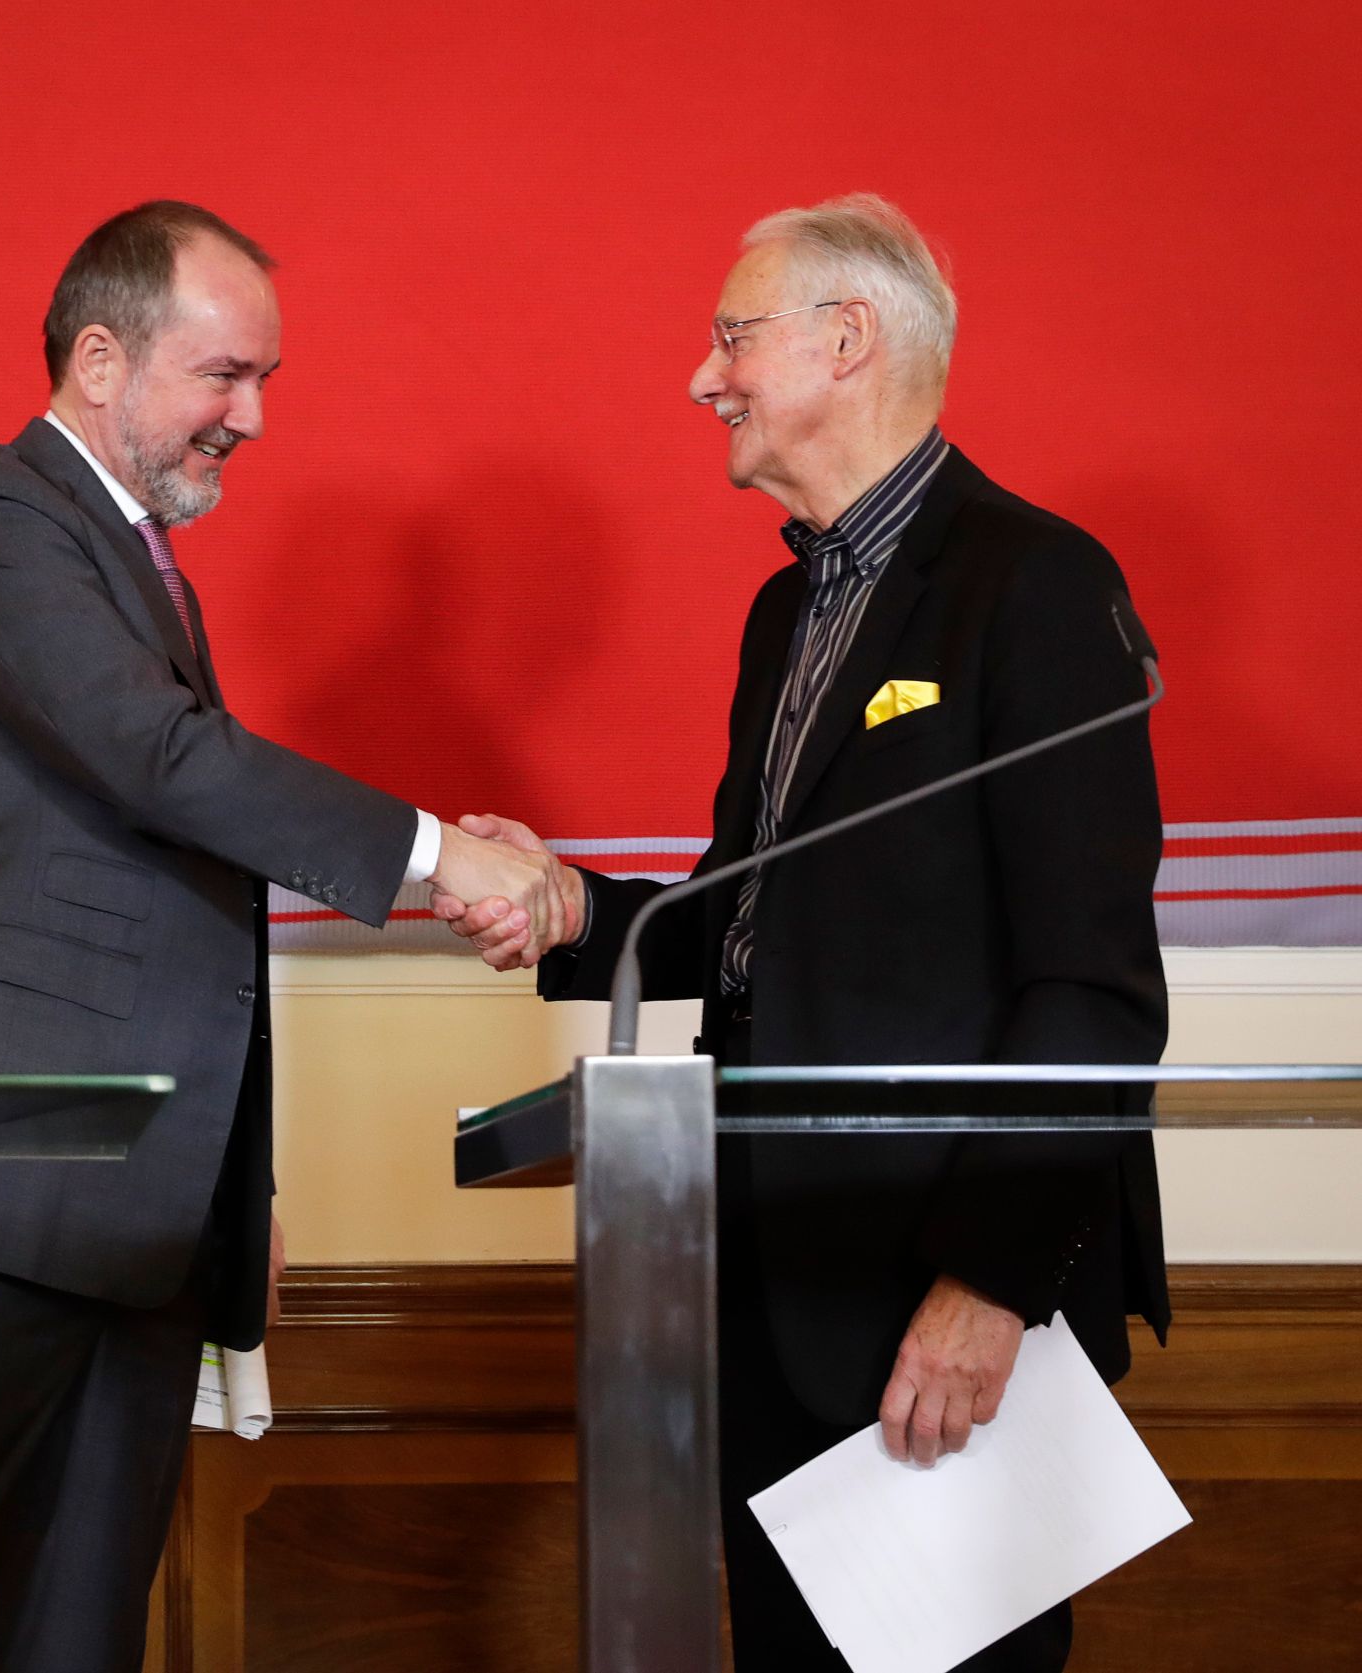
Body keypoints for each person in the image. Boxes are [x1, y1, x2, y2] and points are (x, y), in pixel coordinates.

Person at [0, 200, 568, 1673]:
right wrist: (441, 855)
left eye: (266, 379)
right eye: (225, 375)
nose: (254, 416)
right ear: (100, 360)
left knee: (81, 1645)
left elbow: (174, 899)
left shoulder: (138, 567)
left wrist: (235, 1185)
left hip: (145, 1225)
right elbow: (162, 761)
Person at [435, 193, 1170, 1671]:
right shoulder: (789, 614)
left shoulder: (1034, 583)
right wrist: (574, 904)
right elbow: (753, 915)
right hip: (769, 1281)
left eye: (731, 337)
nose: (701, 378)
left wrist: (991, 1285)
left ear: (847, 339)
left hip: (945, 1302)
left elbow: (1090, 988)